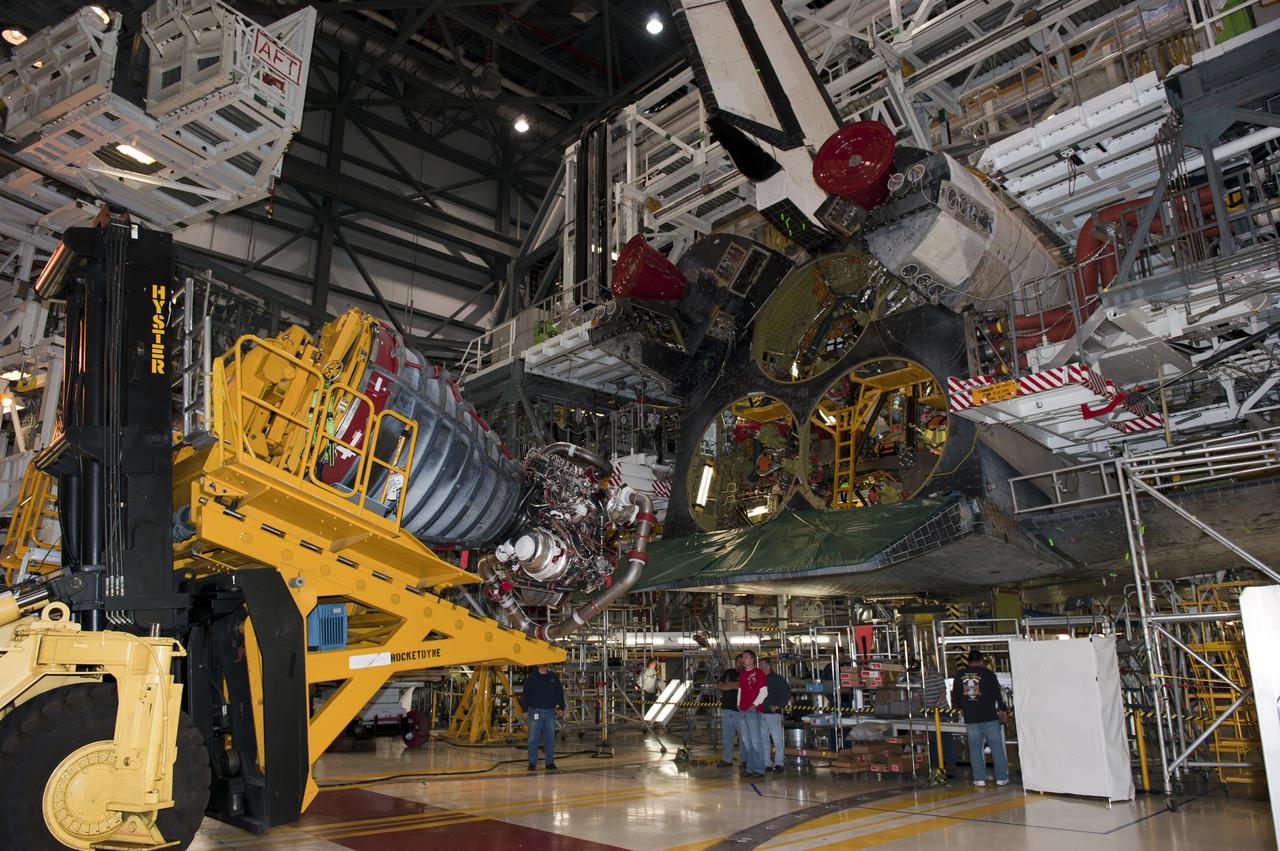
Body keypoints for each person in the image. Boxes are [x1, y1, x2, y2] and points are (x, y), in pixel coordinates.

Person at [950, 650, 1009, 787]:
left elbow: (956, 697)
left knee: (975, 748)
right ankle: (1001, 778)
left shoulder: (959, 676)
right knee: (996, 748)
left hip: (971, 718)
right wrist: (1002, 709)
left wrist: (962, 709)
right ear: (981, 660)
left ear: (968, 661)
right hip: (989, 717)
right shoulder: (988, 674)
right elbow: (997, 694)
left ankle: (979, 779)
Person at [522, 663, 566, 771]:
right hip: (535, 711)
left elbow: (559, 693)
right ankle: (532, 763)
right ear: (538, 665)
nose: (544, 665)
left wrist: (561, 707)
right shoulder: (532, 678)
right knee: (533, 738)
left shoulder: (553, 677)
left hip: (550, 711)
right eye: (542, 663)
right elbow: (526, 694)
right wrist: (524, 710)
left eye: (546, 664)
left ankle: (549, 763)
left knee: (550, 738)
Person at [736, 650, 769, 778]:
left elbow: (764, 692)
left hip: (753, 712)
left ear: (752, 659)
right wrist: (738, 703)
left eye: (745, 657)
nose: (743, 659)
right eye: (742, 657)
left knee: (755, 741)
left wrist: (755, 705)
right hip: (743, 711)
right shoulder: (743, 675)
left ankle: (760, 768)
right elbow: (740, 690)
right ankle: (750, 767)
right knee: (746, 741)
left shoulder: (759, 673)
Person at [760, 659, 789, 773]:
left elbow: (786, 693)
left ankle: (779, 763)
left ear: (768, 667)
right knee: (764, 740)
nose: (760, 668)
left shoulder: (777, 679)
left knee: (777, 740)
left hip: (773, 714)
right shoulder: (760, 680)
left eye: (762, 665)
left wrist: (778, 705)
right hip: (761, 713)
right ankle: (766, 763)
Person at [716, 654, 743, 766]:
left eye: (743, 662)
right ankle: (727, 759)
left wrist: (729, 684)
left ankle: (744, 760)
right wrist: (734, 685)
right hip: (727, 709)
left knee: (743, 737)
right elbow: (720, 686)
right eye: (739, 662)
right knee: (727, 736)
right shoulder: (728, 672)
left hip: (741, 711)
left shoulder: (747, 674)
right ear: (735, 662)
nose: (740, 664)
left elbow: (740, 685)